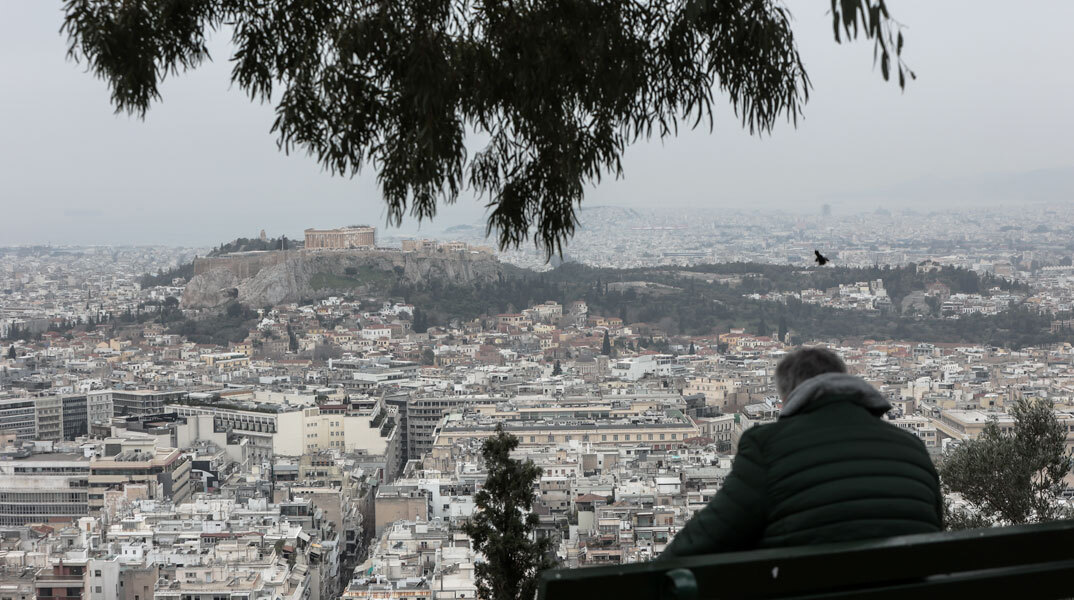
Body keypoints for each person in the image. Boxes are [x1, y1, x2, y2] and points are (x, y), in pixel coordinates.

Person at [660, 347, 942, 558]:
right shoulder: (912, 446)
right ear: (843, 381)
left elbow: (705, 539)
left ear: (785, 398)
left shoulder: (767, 445)